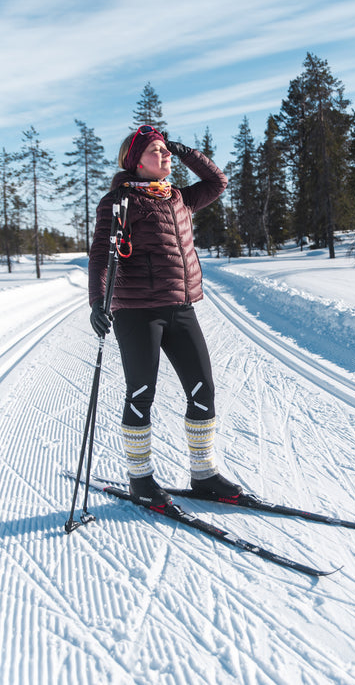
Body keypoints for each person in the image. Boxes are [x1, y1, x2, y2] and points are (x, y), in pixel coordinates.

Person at [88, 125, 242, 509]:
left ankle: (203, 473)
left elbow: (217, 181)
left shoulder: (178, 197)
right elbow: (99, 256)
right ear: (135, 161)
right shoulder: (119, 202)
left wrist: (185, 150)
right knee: (142, 393)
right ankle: (140, 480)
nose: (165, 156)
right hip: (137, 313)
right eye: (157, 151)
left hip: (180, 306)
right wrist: (97, 304)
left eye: (165, 150)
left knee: (202, 387)